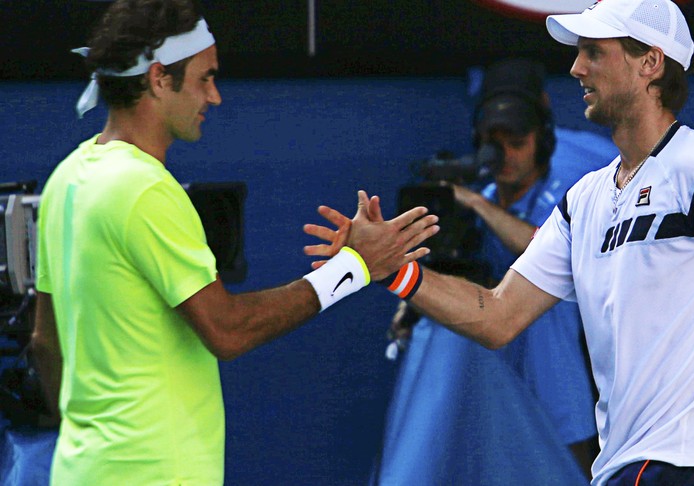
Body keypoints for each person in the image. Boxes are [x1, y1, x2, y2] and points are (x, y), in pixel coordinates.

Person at [305, 0, 694, 484]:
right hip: (622, 469)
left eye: (594, 52)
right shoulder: (584, 199)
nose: (576, 67)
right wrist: (395, 271)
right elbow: (497, 316)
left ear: (650, 63)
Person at [28, 1, 438, 484]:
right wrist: (353, 267)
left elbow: (44, 342)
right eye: (205, 78)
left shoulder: (66, 178)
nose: (215, 96)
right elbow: (228, 331)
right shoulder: (144, 189)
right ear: (159, 79)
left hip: (81, 469)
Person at [373, 58, 616, 484]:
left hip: (588, 358)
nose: (505, 155)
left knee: (546, 313)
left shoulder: (584, 176)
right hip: (499, 377)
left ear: (542, 138)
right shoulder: (480, 198)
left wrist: (479, 205)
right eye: (493, 141)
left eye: (517, 140)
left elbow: (552, 256)